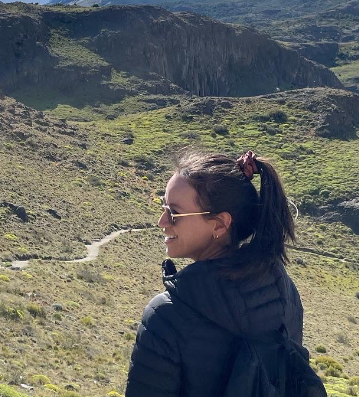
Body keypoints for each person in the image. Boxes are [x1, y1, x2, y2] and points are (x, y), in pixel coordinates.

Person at [125, 150, 303, 397]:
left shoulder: (166, 317)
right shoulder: (284, 293)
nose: (162, 221)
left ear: (220, 224)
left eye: (174, 213)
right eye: (163, 206)